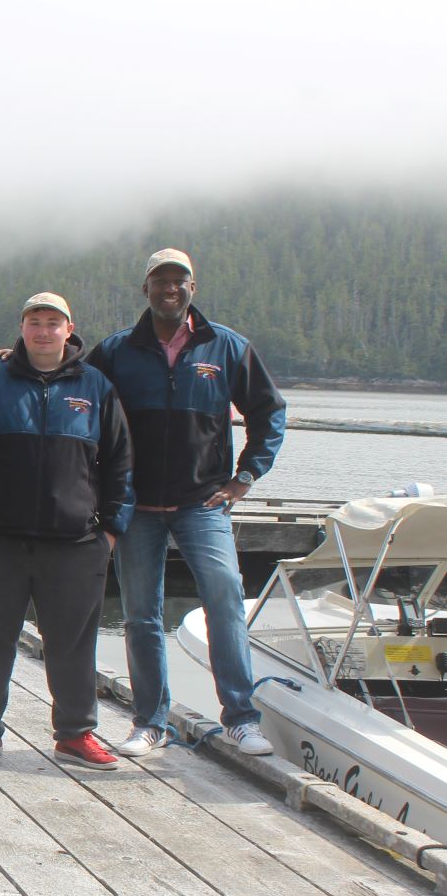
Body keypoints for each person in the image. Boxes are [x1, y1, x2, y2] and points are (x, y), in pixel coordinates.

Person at [88, 248, 286, 757]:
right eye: (160, 280)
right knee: (140, 616)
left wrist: (245, 477)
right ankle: (150, 722)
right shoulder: (115, 351)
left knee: (225, 600)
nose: (169, 289)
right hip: (136, 506)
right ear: (146, 289)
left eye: (179, 281)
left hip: (203, 503)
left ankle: (241, 718)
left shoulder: (227, 347)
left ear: (192, 289)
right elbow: (75, 390)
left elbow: (269, 413)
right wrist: (9, 359)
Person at [0, 293, 133, 768]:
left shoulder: (96, 387)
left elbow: (121, 464)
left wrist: (110, 532)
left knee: (72, 644)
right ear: (22, 327)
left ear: (69, 330)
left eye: (53, 323)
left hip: (74, 545)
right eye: (34, 322)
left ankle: (75, 733)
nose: (43, 331)